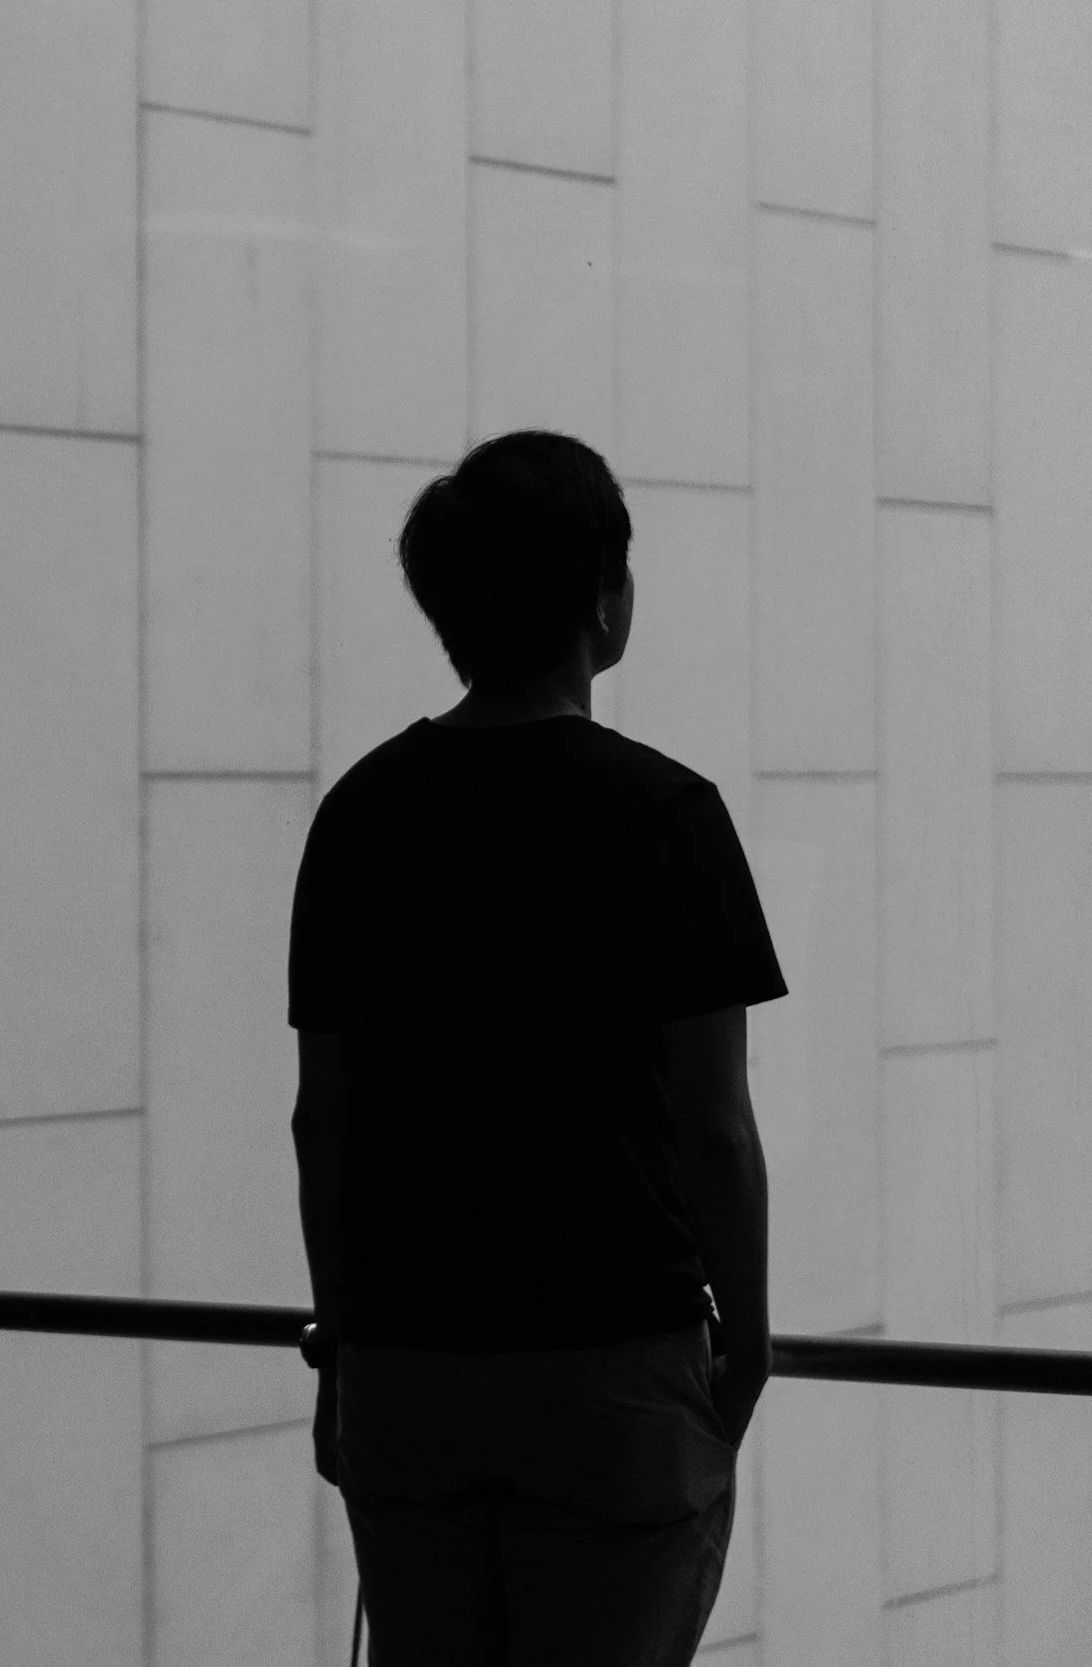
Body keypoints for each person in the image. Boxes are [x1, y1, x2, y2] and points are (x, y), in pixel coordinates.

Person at [288, 430, 786, 1664]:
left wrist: (342, 1347)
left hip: (407, 1364)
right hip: (611, 1367)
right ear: (604, 600)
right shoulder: (667, 815)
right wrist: (750, 1340)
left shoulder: (361, 814)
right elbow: (713, 1127)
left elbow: (325, 1121)